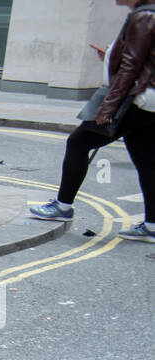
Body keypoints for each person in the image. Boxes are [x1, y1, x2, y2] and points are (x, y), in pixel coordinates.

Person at [29, 0, 155, 242]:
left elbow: (131, 66)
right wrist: (110, 56)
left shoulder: (144, 17)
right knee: (146, 159)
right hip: (149, 100)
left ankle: (63, 206)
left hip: (135, 98)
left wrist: (108, 107)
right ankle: (152, 224)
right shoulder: (147, 14)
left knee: (78, 142)